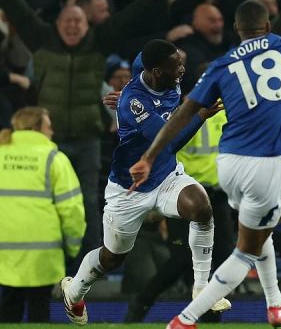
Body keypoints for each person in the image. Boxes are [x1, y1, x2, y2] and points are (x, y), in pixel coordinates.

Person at [129, 0, 281, 329]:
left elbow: (185, 112)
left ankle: (276, 304)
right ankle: (185, 320)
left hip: (229, 166)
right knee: (246, 249)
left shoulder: (221, 65)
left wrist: (149, 155)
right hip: (266, 165)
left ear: (237, 29)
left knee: (257, 227)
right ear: (267, 26)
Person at [60, 39, 229, 325]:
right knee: (113, 258)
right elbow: (169, 141)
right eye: (176, 66)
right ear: (157, 72)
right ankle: (74, 292)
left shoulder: (150, 67)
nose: (182, 70)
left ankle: (202, 288)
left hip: (165, 176)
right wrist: (200, 114)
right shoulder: (134, 103)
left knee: (201, 207)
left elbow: (145, 55)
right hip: (129, 188)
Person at [0, 107, 85, 323]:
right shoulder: (54, 158)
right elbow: (72, 209)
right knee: (39, 311)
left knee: (8, 309)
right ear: (36, 128)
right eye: (48, 126)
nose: (52, 131)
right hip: (43, 252)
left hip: (4, 252)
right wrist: (73, 246)